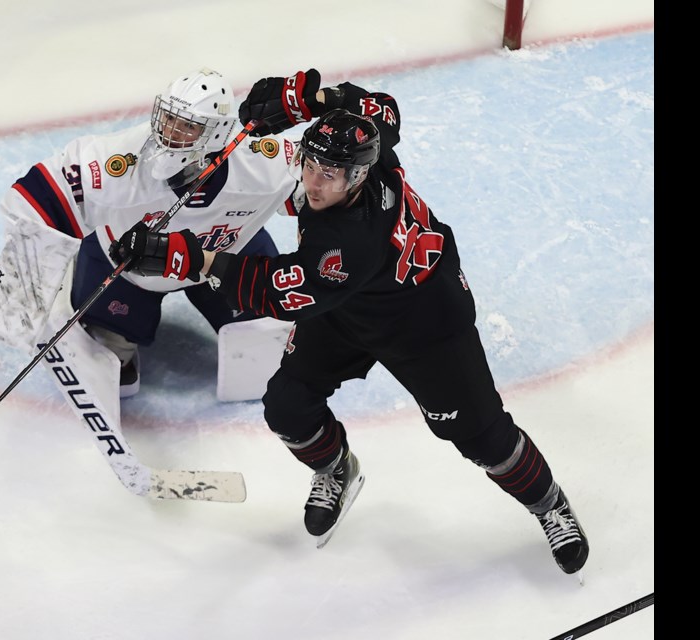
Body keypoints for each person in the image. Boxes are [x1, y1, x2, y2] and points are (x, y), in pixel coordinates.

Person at [110, 69, 590, 574]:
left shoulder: (346, 247)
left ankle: (549, 504)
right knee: (287, 408)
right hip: (348, 309)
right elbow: (376, 104)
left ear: (357, 177)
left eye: (328, 175)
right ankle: (336, 467)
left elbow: (277, 289)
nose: (312, 183)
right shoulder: (370, 146)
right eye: (310, 164)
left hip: (424, 326)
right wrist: (305, 101)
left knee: (483, 438)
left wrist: (186, 256)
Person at [0, 68, 299, 398]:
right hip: (129, 272)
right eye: (168, 118)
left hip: (223, 261)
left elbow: (323, 198)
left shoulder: (263, 165)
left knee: (266, 352)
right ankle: (113, 335)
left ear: (218, 135)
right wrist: (21, 271)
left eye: (188, 126)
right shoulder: (114, 163)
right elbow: (31, 200)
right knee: (114, 372)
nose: (171, 132)